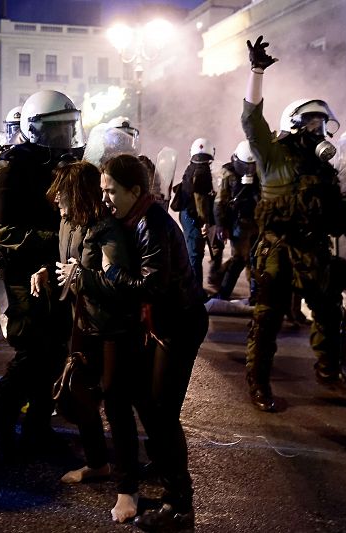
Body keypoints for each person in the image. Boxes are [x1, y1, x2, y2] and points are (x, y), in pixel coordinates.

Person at [241, 35, 346, 412]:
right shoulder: (273, 155)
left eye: (323, 123)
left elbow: (335, 212)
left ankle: (328, 369)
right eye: (311, 122)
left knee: (329, 313)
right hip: (278, 250)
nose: (318, 130)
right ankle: (258, 382)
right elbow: (250, 119)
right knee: (267, 320)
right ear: (293, 125)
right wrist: (256, 72)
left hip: (314, 251)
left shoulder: (324, 167)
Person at [100, 154, 208, 530]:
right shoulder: (134, 217)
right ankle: (166, 472)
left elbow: (151, 287)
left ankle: (179, 505)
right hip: (165, 324)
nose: (106, 198)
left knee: (162, 413)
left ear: (135, 190)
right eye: (103, 190)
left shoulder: (152, 223)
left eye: (111, 191)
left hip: (179, 325)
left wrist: (111, 272)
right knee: (149, 404)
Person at [0, 90, 84, 463]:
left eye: (68, 128)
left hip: (56, 272)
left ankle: (38, 428)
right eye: (57, 129)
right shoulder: (12, 166)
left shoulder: (62, 161)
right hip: (22, 275)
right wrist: (58, 240)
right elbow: (5, 233)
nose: (65, 136)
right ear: (35, 129)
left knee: (56, 351)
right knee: (32, 353)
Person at [40, 161, 139, 493]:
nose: (57, 200)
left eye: (63, 194)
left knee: (115, 403)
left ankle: (128, 488)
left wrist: (80, 276)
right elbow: (65, 267)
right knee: (78, 395)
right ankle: (97, 463)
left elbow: (121, 284)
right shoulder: (67, 222)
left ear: (79, 194)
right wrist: (45, 273)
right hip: (82, 322)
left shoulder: (106, 229)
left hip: (113, 327)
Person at [214, 140, 260, 301]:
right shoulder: (229, 174)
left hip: (257, 222)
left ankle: (255, 295)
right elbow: (220, 201)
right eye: (245, 166)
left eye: (251, 166)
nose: (248, 170)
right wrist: (221, 225)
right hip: (239, 223)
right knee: (239, 260)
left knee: (256, 259)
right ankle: (224, 293)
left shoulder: (261, 172)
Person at [175, 138, 215, 285]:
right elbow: (200, 200)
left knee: (193, 254)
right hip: (194, 217)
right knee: (195, 256)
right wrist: (204, 222)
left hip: (187, 215)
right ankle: (195, 292)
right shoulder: (203, 171)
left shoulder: (191, 167)